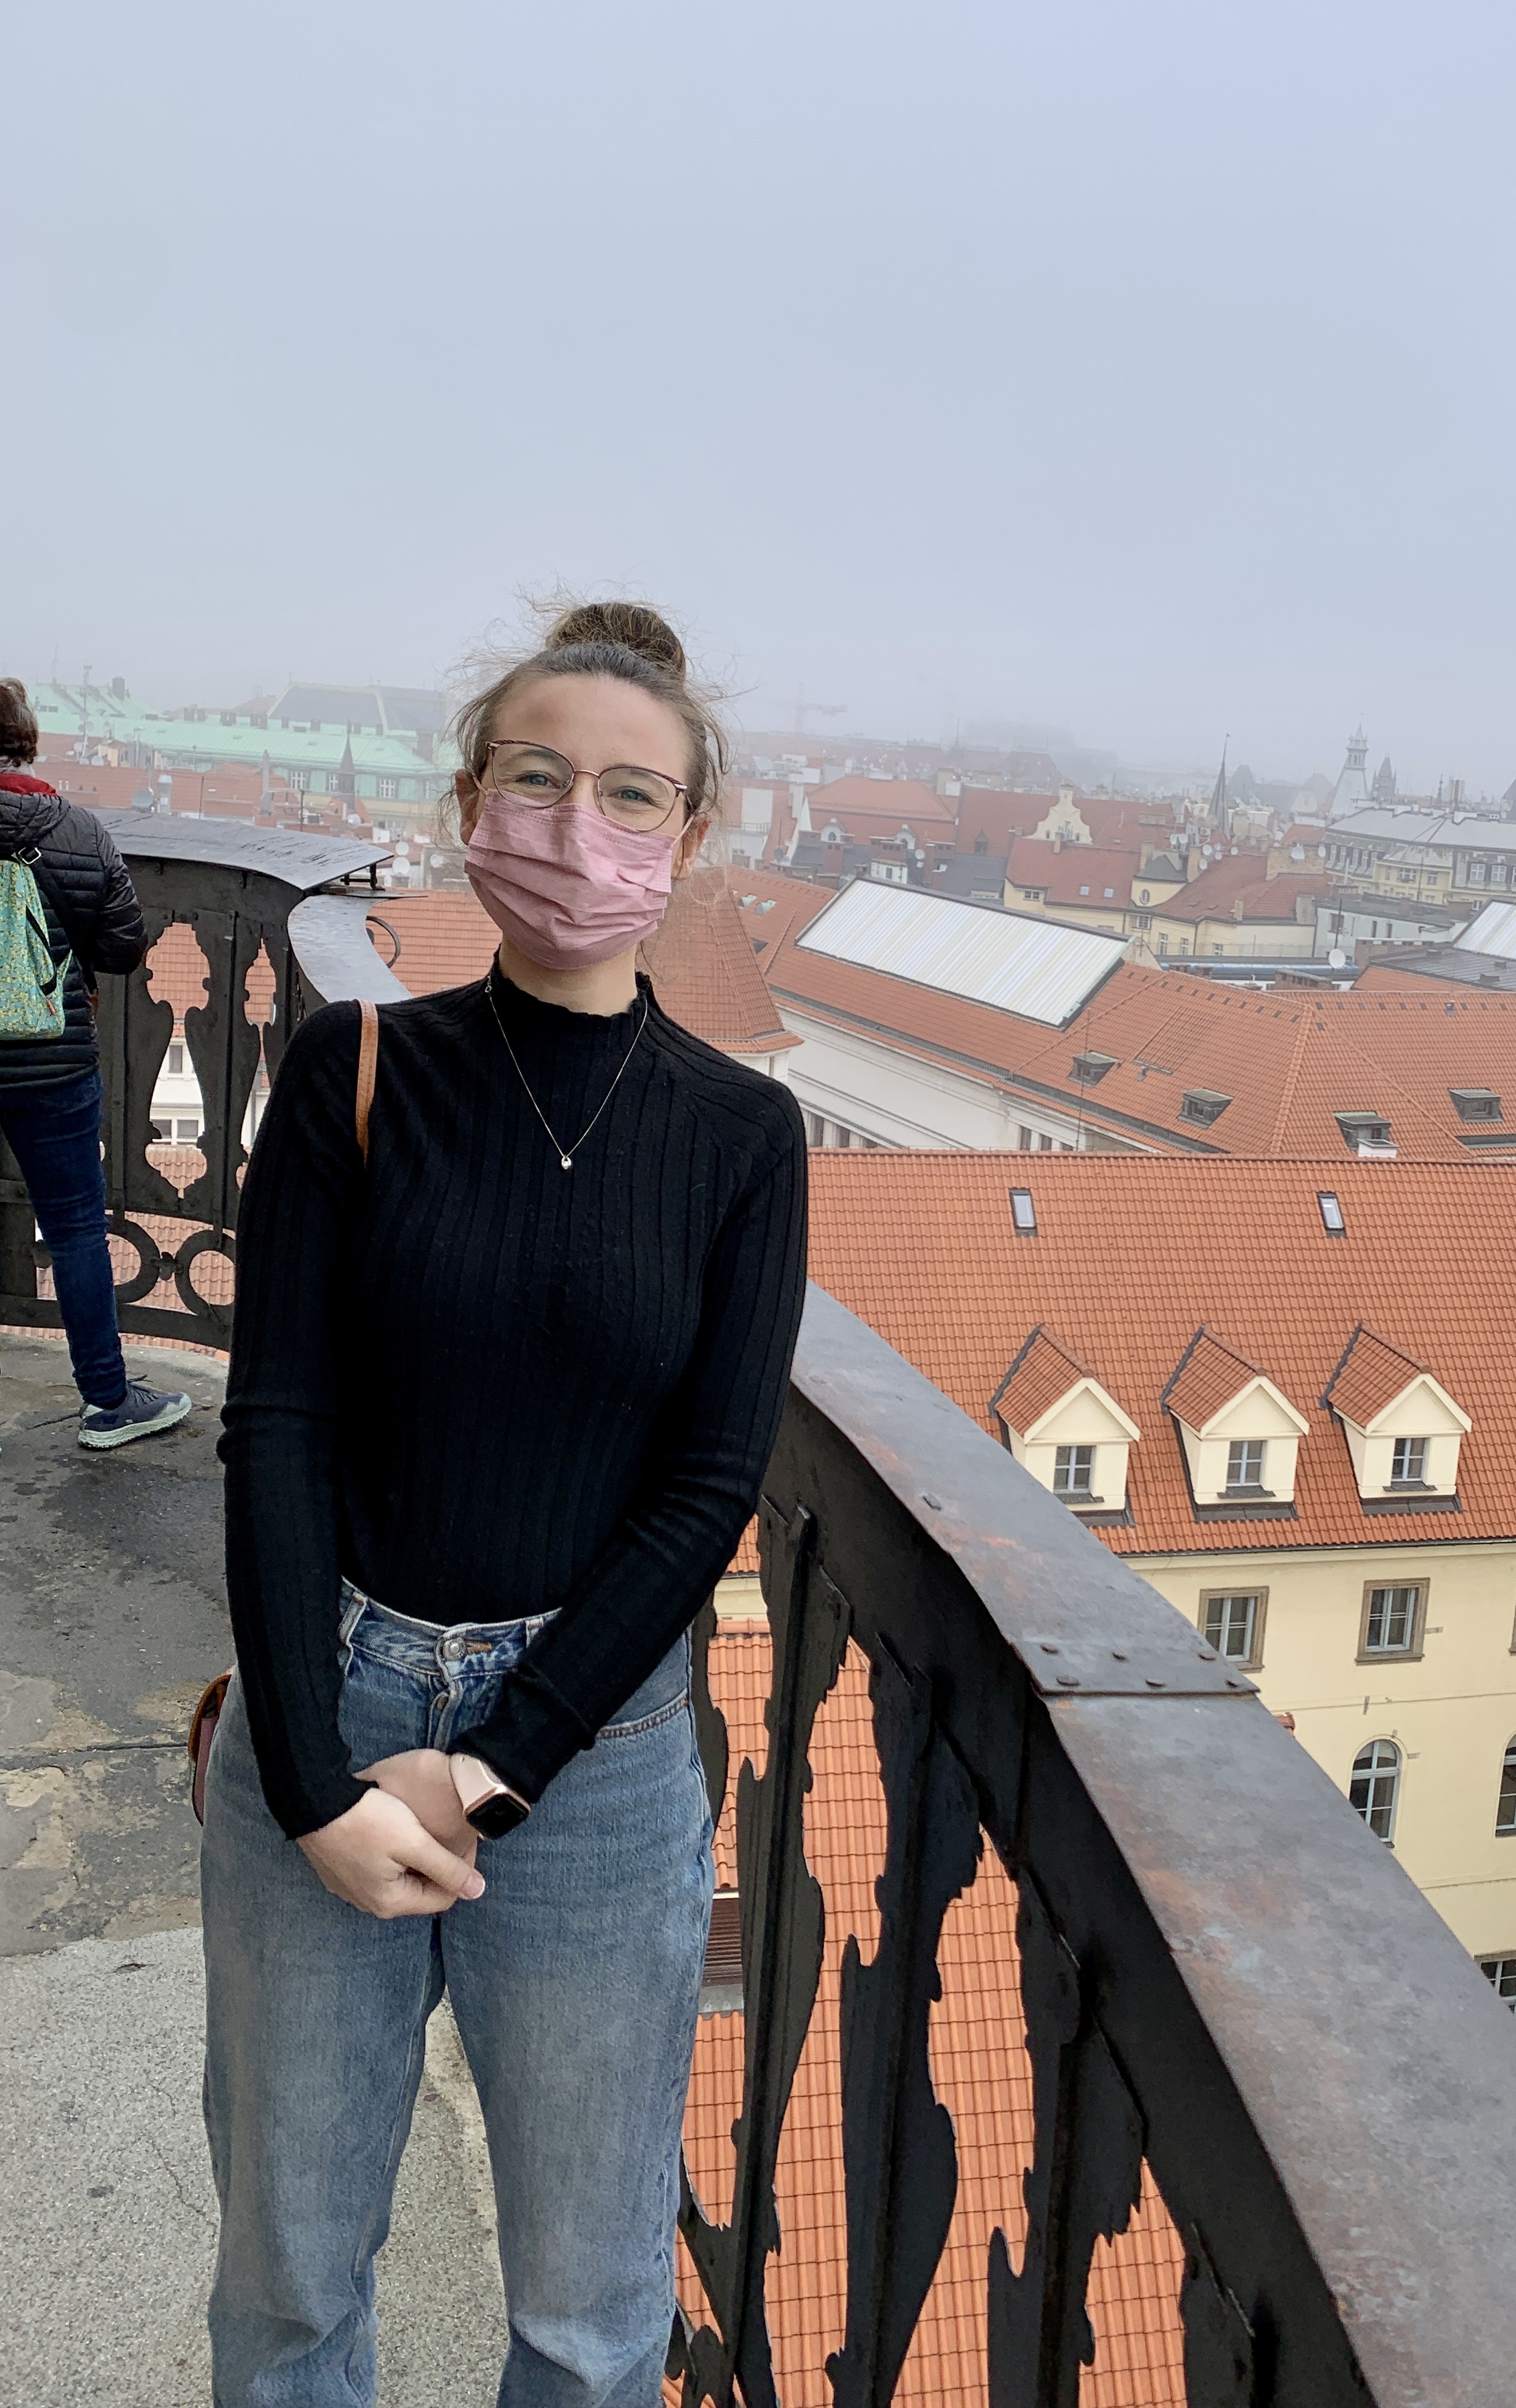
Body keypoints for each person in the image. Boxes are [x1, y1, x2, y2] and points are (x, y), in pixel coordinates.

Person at [202, 600, 808, 2407]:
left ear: (691, 840)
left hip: (595, 1760)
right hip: (333, 1688)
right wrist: (317, 1775)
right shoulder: (359, 1068)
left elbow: (709, 1487)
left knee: (593, 2308)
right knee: (291, 2279)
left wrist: (494, 1759)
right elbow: (279, 1424)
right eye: (541, 779)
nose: (580, 829)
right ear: (474, 795)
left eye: (634, 795)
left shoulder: (739, 1136)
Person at [0, 677, 191, 1448]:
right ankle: (109, 1403)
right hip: (51, 1061)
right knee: (76, 1228)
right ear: (29, 741)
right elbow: (122, 948)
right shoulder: (75, 829)